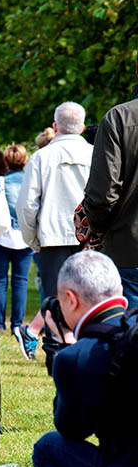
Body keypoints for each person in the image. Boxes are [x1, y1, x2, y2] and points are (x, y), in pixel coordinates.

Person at [32, 250, 137, 467]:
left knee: (49, 448)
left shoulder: (78, 358)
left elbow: (71, 429)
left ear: (70, 299)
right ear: (120, 293)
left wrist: (63, 352)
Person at [16, 102, 93, 314]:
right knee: (88, 299)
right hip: (89, 238)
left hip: (52, 237)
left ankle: (55, 345)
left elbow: (26, 205)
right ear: (82, 126)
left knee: (54, 301)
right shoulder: (95, 154)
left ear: (55, 125)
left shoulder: (41, 157)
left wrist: (32, 238)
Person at [83, 95, 138, 310]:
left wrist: (97, 229)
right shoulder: (119, 118)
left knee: (130, 337)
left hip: (128, 247)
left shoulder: (119, 117)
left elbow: (102, 196)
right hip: (128, 247)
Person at [0, 144, 35, 356]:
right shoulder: (31, 180)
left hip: (0, 235)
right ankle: (17, 323)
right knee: (20, 281)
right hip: (24, 236)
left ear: (5, 162)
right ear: (25, 161)